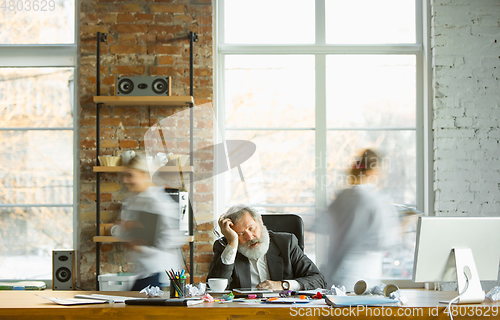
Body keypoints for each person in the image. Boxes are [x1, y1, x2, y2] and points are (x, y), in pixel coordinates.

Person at [320, 149, 400, 290]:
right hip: (360, 279)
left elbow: (322, 225)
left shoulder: (341, 196)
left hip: (335, 275)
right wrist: (405, 223)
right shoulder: (373, 201)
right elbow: (384, 240)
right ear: (372, 172)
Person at [112, 153, 187, 291]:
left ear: (143, 175)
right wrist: (124, 229)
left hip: (159, 271)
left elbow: (177, 237)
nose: (125, 180)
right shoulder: (131, 200)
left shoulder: (158, 200)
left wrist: (144, 243)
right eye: (124, 176)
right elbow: (122, 232)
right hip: (142, 271)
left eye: (130, 175)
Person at [207, 204, 327, 290]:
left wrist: (283, 285)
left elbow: (319, 280)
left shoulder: (286, 243)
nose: (250, 237)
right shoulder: (226, 248)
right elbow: (216, 289)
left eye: (251, 228)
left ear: (260, 221)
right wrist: (232, 242)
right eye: (240, 234)